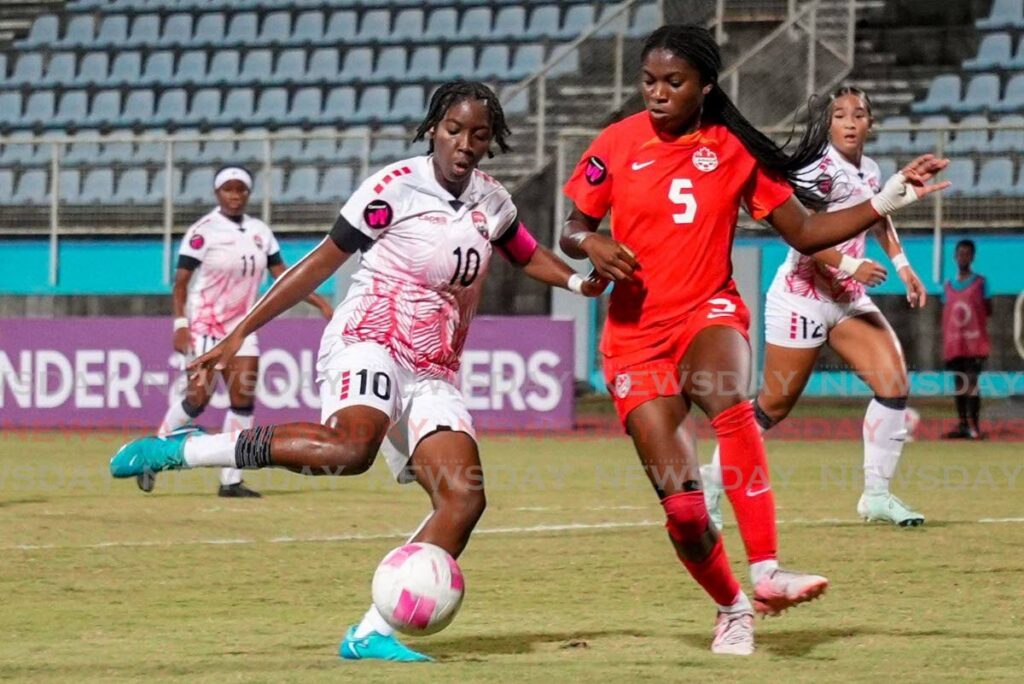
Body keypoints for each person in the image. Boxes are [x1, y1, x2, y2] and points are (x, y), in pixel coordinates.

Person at [110, 81, 607, 662]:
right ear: (432, 130)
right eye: (454, 130)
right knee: (351, 450)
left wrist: (577, 281)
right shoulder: (393, 188)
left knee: (463, 500)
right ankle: (185, 449)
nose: (465, 144)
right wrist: (242, 330)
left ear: (491, 142)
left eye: (479, 135)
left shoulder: (493, 201)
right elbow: (320, 261)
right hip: (370, 338)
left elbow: (525, 253)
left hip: (434, 367)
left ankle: (371, 632)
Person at [560, 25, 949, 655]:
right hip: (633, 337)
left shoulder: (732, 150)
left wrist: (886, 199)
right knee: (685, 516)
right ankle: (732, 606)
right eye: (648, 81)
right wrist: (592, 243)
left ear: (705, 87)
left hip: (707, 312)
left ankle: (767, 571)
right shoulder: (615, 142)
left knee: (730, 401)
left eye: (673, 83)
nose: (657, 94)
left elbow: (807, 230)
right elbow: (572, 226)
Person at [702, 86, 927, 529]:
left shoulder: (870, 169)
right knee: (773, 406)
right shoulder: (815, 170)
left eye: (858, 114)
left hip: (845, 297)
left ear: (869, 124)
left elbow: (878, 216)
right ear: (827, 124)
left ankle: (877, 496)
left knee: (894, 381)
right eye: (839, 114)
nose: (848, 121)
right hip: (800, 296)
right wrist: (849, 262)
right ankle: (710, 483)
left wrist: (903, 267)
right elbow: (798, 233)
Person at [139, 166, 334, 497]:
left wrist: (320, 304)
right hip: (206, 325)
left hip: (244, 328)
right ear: (218, 193)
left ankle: (231, 479)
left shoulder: (260, 231)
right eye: (228, 189)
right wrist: (181, 324)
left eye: (241, 189)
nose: (234, 195)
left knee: (242, 400)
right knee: (198, 399)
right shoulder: (203, 231)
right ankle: (150, 454)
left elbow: (283, 276)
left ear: (248, 193)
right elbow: (182, 282)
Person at [942, 239, 991, 439]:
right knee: (959, 384)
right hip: (955, 343)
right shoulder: (947, 286)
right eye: (960, 254)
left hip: (974, 342)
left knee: (972, 383)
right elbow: (946, 315)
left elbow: (988, 309)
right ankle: (962, 424)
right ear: (955, 257)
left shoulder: (980, 283)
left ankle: (974, 426)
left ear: (972, 257)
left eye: (967, 254)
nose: (963, 257)